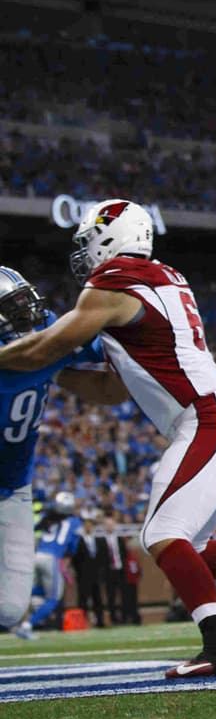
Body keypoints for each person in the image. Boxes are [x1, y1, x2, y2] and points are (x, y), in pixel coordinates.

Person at [0, 200, 216, 676]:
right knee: (190, 547)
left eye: (86, 240)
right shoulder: (154, 280)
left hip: (206, 420)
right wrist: (49, 367)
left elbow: (50, 344)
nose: (81, 253)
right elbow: (110, 390)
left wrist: (32, 357)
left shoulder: (115, 280)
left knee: (161, 534)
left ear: (110, 237)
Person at [0, 266, 107, 640]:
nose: (29, 313)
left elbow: (105, 349)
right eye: (13, 309)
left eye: (23, 302)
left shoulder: (44, 331)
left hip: (14, 486)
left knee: (10, 609)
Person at [27, 492, 86, 632]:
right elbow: (73, 548)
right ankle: (28, 624)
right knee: (53, 597)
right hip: (52, 558)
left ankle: (20, 595)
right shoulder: (75, 522)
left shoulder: (46, 517)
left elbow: (33, 528)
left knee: (40, 591)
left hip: (37, 555)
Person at [96, 511, 129, 626]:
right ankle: (113, 618)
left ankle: (125, 617)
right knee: (111, 596)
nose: (109, 526)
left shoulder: (119, 539)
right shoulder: (100, 540)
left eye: (111, 524)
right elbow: (100, 558)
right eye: (107, 524)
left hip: (120, 569)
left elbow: (124, 554)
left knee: (124, 594)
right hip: (109, 571)